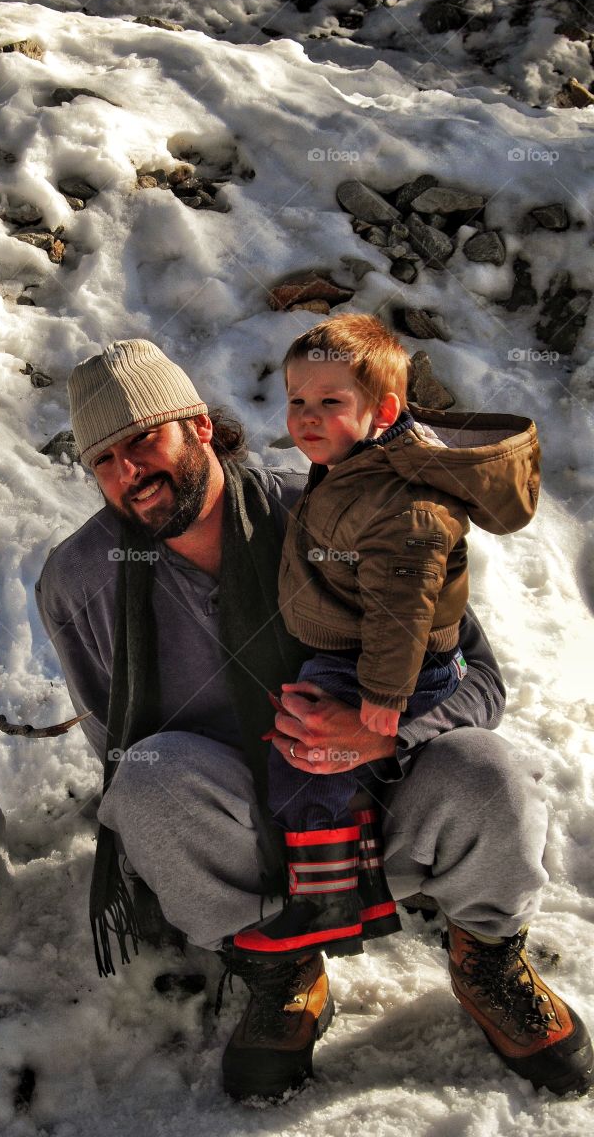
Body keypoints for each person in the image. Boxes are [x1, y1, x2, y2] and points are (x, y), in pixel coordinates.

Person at [35, 337, 592, 1103]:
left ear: (199, 425)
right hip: (246, 841)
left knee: (490, 768)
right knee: (147, 779)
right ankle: (280, 967)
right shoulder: (80, 582)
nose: (129, 473)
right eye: (104, 459)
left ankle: (487, 958)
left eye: (143, 440)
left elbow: (477, 680)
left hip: (388, 805)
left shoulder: (338, 506)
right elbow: (113, 739)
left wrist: (380, 731)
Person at [238, 314, 540, 964]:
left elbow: (403, 607)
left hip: (389, 667)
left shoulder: (397, 498)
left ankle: (333, 903)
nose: (307, 417)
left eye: (330, 402)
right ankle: (340, 892)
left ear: (384, 411)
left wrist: (378, 705)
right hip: (361, 656)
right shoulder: (351, 467)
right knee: (303, 748)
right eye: (296, 401)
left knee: (309, 759)